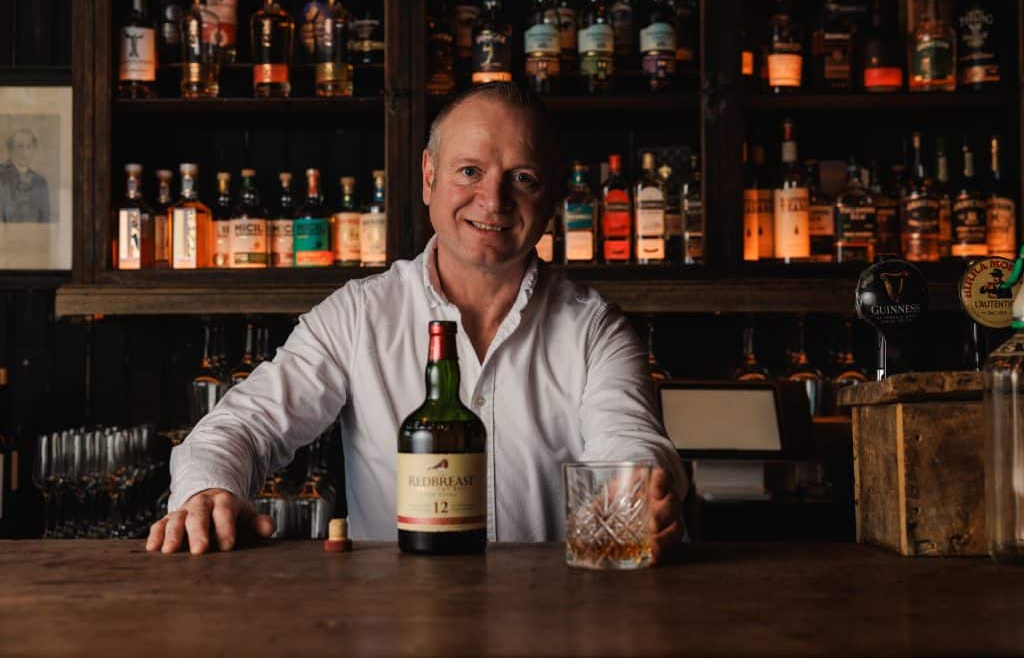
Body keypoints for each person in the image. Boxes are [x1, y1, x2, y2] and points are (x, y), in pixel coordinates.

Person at [147, 82, 687, 561]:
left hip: (548, 623)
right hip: (394, 624)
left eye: (521, 177)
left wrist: (639, 490)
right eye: (469, 171)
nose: (492, 200)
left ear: (550, 198)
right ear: (430, 177)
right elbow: (245, 423)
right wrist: (207, 489)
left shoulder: (595, 329)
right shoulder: (359, 315)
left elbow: (629, 439)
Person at [0, 128, 51, 223]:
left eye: (28, 147)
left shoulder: (40, 182)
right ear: (11, 149)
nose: (24, 152)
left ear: (34, 150)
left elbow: (44, 221)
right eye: (20, 146)